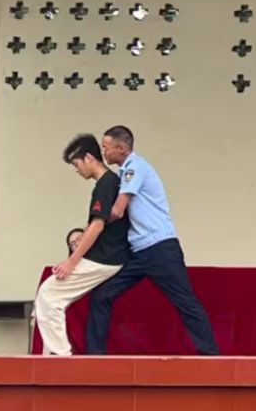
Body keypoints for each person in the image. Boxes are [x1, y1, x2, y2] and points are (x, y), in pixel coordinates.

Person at [83, 125, 220, 355]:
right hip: (138, 252)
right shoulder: (125, 171)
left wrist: (91, 228)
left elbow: (117, 211)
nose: (103, 152)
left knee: (185, 302)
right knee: (102, 296)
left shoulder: (134, 168)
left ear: (122, 148)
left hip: (159, 249)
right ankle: (94, 357)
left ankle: (212, 357)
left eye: (106, 147)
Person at [34, 135, 129, 356]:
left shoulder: (106, 184)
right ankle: (54, 354)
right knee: (51, 297)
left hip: (105, 258)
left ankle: (60, 355)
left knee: (49, 295)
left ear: (88, 158)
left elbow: (97, 226)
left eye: (76, 164)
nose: (77, 170)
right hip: (106, 256)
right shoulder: (108, 183)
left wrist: (71, 262)